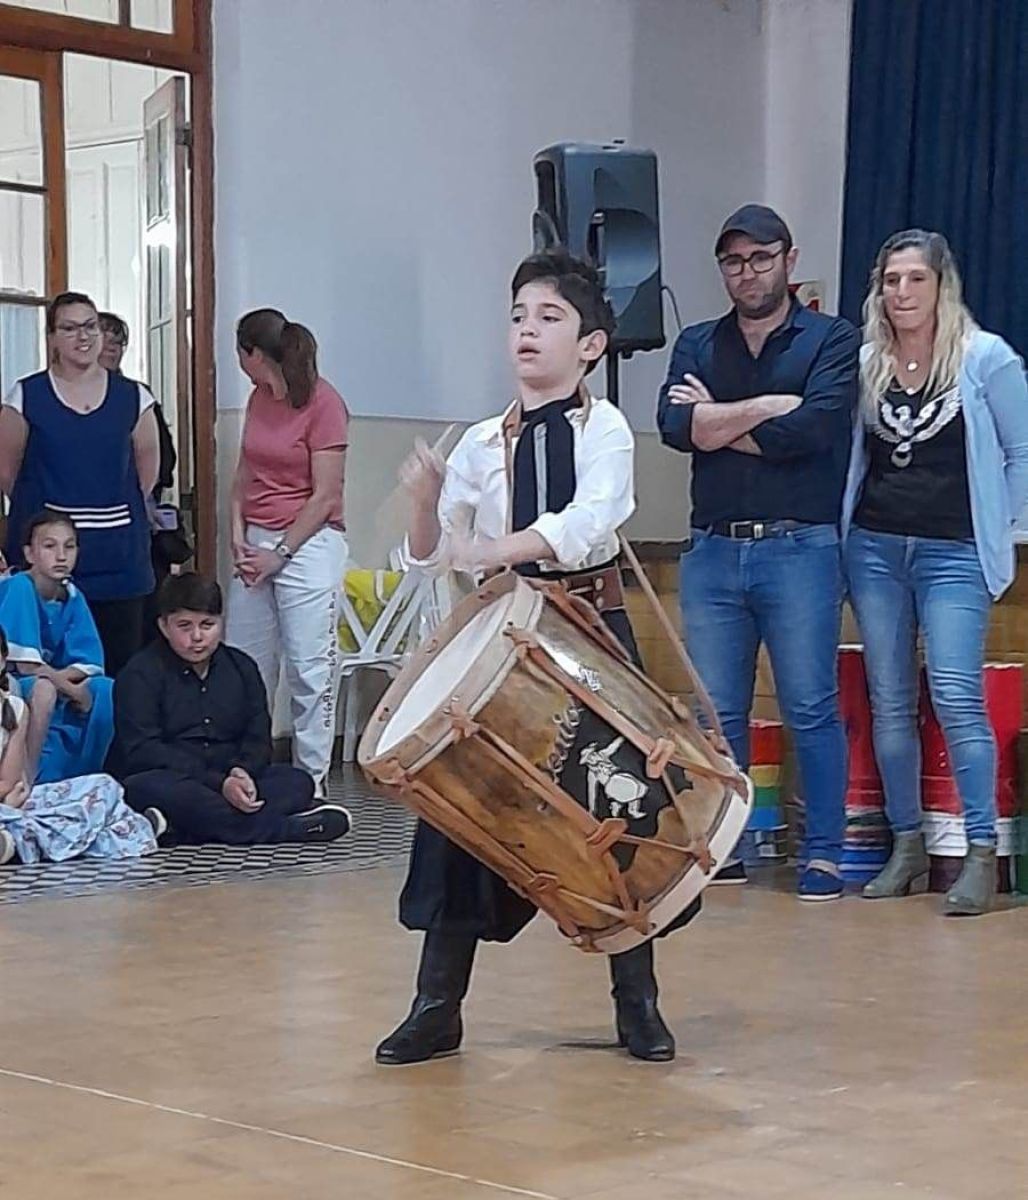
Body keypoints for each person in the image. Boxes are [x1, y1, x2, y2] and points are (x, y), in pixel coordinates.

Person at [377, 249, 697, 1069]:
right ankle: (435, 1005)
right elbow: (432, 556)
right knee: (460, 808)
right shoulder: (485, 440)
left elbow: (591, 521)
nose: (527, 329)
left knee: (614, 813)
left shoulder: (607, 427)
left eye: (549, 317)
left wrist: (494, 546)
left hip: (587, 633)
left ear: (590, 345)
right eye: (519, 315)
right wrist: (424, 508)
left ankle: (639, 1003)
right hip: (499, 638)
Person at [657, 204, 860, 901]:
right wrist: (767, 407)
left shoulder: (832, 339)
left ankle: (824, 852)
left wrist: (719, 419)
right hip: (713, 551)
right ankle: (729, 845)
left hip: (800, 548)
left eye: (760, 258)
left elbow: (815, 430)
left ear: (789, 260)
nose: (747, 273)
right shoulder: (696, 342)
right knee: (717, 712)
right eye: (734, 262)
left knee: (809, 706)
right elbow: (674, 426)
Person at [842, 230, 1028, 916]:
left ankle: (980, 850)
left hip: (954, 553)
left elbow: (1022, 451)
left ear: (941, 285)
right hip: (877, 548)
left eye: (915, 279)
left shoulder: (986, 360)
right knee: (889, 703)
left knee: (954, 695)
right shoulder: (867, 363)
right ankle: (907, 844)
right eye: (891, 280)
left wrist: (1002, 531)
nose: (901, 293)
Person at [114, 572, 351, 846]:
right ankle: (288, 830)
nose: (197, 637)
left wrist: (241, 773)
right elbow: (144, 750)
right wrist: (218, 783)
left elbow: (258, 737)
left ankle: (180, 830)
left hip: (233, 776)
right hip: (179, 778)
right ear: (164, 627)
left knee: (297, 781)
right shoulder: (140, 673)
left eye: (207, 624)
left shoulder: (241, 667)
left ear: (221, 623)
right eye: (184, 626)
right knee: (147, 788)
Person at [0, 292, 160, 676]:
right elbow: (9, 473)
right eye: (69, 328)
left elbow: (146, 469)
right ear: (52, 337)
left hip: (119, 561)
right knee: (44, 674)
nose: (83, 337)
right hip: (45, 565)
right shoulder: (26, 395)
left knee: (119, 675)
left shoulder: (133, 397)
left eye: (90, 326)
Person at [226, 310, 348, 798]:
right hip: (257, 540)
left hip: (309, 543)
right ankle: (245, 772)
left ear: (252, 354)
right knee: (246, 663)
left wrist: (279, 551)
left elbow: (325, 495)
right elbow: (244, 473)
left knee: (309, 667)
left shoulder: (325, 403)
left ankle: (310, 783)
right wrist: (238, 534)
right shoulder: (258, 398)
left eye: (239, 353)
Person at [0, 626, 156, 868]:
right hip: (5, 805)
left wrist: (11, 800)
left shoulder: (14, 708)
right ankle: (118, 829)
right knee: (20, 816)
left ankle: (17, 837)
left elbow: (9, 782)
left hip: (7, 798)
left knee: (102, 787)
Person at [0, 511, 115, 785]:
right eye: (50, 546)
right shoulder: (19, 587)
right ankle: (27, 776)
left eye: (69, 546)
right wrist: (72, 689)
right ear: (29, 553)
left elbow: (88, 661)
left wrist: (75, 684)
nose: (61, 556)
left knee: (105, 689)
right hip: (14, 679)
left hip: (53, 676)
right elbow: (25, 663)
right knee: (44, 689)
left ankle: (86, 774)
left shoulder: (73, 595)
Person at [97, 311, 190, 640]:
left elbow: (165, 460)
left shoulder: (138, 395)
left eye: (119, 341)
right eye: (105, 338)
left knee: (143, 621)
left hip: (137, 517)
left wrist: (138, 495)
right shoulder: (56, 396)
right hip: (85, 525)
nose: (112, 346)